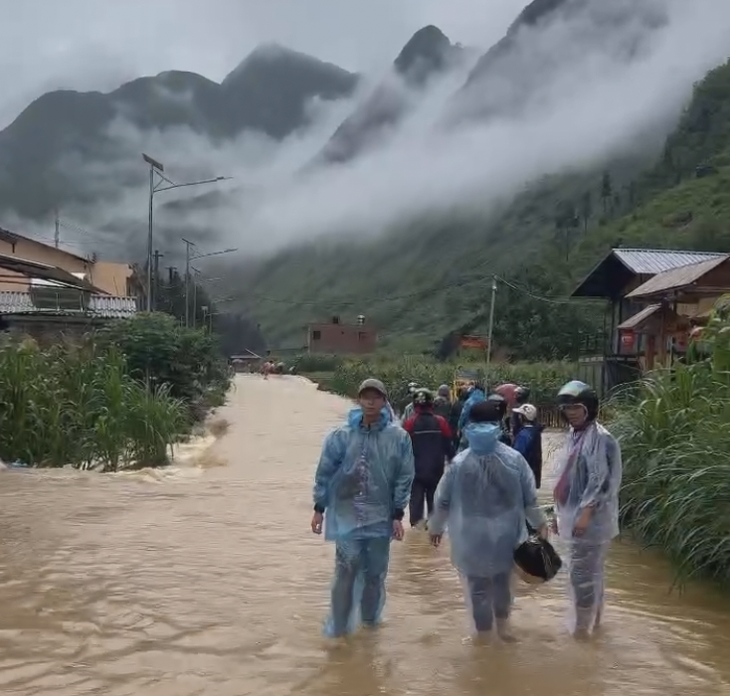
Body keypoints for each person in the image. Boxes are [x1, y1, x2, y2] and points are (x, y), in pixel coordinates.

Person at [429, 400, 548, 641]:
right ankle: (503, 631)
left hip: (470, 534)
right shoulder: (514, 459)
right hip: (506, 533)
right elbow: (529, 500)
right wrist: (541, 524)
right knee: (503, 582)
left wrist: (436, 527)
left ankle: (483, 640)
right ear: (498, 425)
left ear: (469, 425)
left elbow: (443, 500)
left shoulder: (459, 463)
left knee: (478, 587)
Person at [311, 378, 415, 638]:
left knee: (375, 573)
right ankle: (340, 628)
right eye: (365, 396)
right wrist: (319, 508)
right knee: (346, 568)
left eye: (376, 397)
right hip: (346, 514)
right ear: (359, 399)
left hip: (381, 516)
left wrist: (398, 514)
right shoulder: (341, 436)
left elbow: (404, 476)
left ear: (383, 401)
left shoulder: (398, 437)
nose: (370, 401)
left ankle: (370, 622)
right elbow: (325, 473)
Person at [553, 380, 622, 639]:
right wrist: (558, 513)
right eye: (567, 408)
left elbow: (602, 483)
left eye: (576, 407)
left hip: (591, 520)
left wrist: (585, 514)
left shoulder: (601, 439)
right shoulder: (576, 435)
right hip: (575, 515)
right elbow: (566, 478)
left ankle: (582, 633)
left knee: (582, 574)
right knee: (589, 572)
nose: (571, 412)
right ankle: (594, 624)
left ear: (589, 408)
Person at [402, 388, 453, 528]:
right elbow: (449, 446)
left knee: (416, 504)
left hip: (416, 470)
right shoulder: (441, 422)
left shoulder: (409, 423)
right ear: (432, 404)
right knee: (434, 502)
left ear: (415, 405)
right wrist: (452, 463)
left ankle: (416, 535)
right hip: (436, 470)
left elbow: (403, 449)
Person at [511, 403, 544, 488]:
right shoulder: (534, 431)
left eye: (520, 415)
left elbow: (516, 455)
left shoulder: (524, 434)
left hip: (522, 475)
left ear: (524, 417)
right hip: (531, 474)